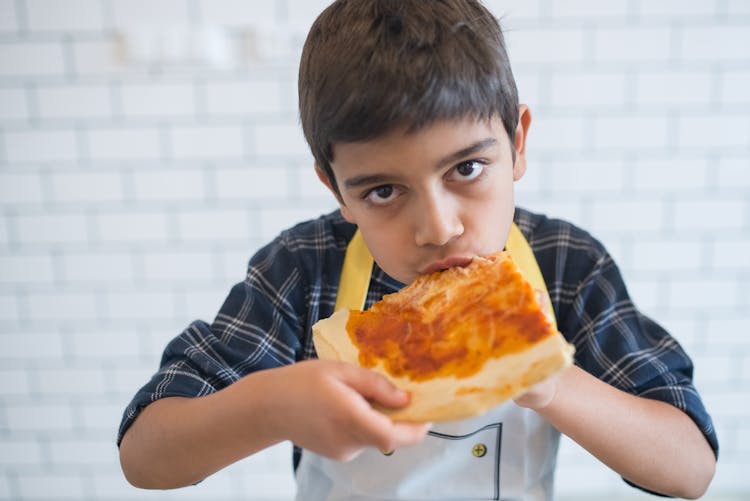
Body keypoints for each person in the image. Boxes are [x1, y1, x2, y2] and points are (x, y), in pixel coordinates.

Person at [117, 1, 718, 499]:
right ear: (336, 190)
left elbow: (690, 469)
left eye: (468, 168)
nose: (437, 227)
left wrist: (548, 380)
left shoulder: (567, 264)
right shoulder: (303, 269)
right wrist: (272, 405)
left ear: (518, 144)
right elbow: (145, 457)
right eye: (383, 190)